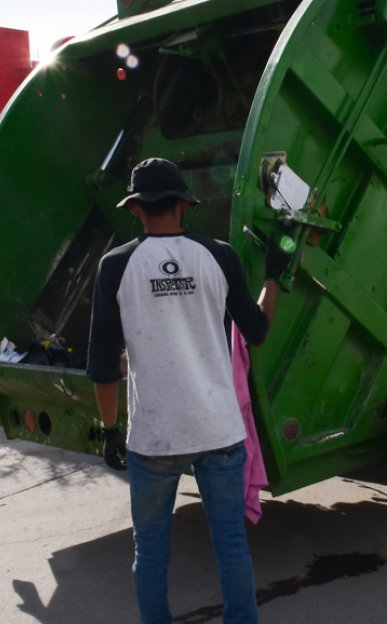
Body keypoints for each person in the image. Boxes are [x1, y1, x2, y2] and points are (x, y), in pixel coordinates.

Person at [87, 158, 289, 624]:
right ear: (183, 204)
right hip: (219, 430)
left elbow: (101, 367)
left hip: (154, 438)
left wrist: (111, 430)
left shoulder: (115, 266)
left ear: (135, 208)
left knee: (151, 552)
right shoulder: (220, 256)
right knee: (231, 546)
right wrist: (273, 277)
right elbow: (256, 331)